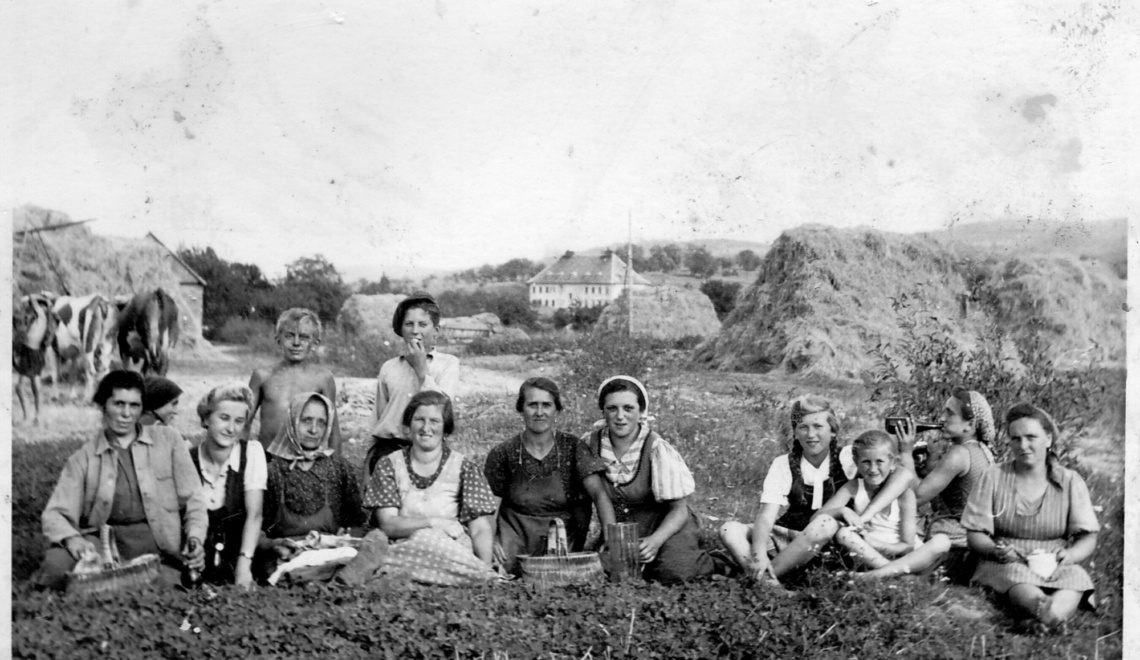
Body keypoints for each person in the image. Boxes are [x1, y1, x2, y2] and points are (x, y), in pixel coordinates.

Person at [36, 370, 206, 590]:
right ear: (103, 406)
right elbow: (55, 513)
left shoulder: (169, 441)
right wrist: (72, 540)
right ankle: (115, 579)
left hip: (157, 545)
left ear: (142, 408)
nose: (126, 413)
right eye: (118, 404)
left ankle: (117, 583)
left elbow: (194, 500)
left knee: (172, 582)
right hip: (105, 547)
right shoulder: (84, 458)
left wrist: (196, 538)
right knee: (55, 566)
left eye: (134, 405)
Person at [962, 403, 1099, 633]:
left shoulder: (1069, 481)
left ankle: (1040, 620)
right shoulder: (994, 476)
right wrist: (996, 551)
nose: (1023, 445)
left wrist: (1070, 555)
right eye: (1016, 439)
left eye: (1031, 437)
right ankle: (1048, 615)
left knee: (1077, 578)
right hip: (1007, 561)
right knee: (1017, 579)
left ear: (1048, 438)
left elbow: (1088, 537)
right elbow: (974, 534)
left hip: (1053, 562)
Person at [586, 376, 720, 583]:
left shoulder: (656, 448)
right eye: (612, 408)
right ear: (602, 411)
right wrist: (610, 537)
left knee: (675, 572)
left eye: (628, 408)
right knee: (604, 573)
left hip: (667, 524)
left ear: (641, 412)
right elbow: (598, 496)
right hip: (621, 528)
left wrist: (656, 541)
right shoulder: (591, 444)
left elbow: (679, 509)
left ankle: (719, 562)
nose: (620, 416)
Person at [358, 391, 498, 586]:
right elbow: (388, 524)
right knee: (420, 540)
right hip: (403, 549)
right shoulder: (389, 464)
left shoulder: (464, 467)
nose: (426, 428)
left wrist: (485, 568)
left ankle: (475, 576)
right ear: (408, 426)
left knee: (434, 544)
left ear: (445, 428)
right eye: (419, 420)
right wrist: (435, 522)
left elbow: (479, 529)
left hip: (449, 553)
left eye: (434, 421)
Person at [857, 388, 996, 580]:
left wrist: (905, 452)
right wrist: (930, 463)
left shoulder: (959, 454)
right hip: (971, 545)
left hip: (954, 547)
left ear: (969, 425)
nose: (942, 417)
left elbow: (918, 496)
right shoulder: (979, 450)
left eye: (950, 413)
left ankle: (876, 571)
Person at [718, 395, 857, 584]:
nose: (810, 434)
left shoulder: (848, 457)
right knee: (730, 529)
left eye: (818, 426)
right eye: (803, 427)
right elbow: (767, 516)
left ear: (833, 431)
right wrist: (759, 553)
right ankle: (769, 579)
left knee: (826, 523)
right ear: (795, 432)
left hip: (829, 543)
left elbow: (889, 470)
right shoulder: (784, 464)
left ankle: (762, 581)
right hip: (790, 535)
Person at [483, 377, 616, 575]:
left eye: (546, 405)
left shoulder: (573, 447)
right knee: (502, 570)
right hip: (514, 536)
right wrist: (490, 542)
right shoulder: (503, 453)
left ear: (557, 410)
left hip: (561, 540)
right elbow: (489, 507)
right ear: (521, 409)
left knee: (562, 575)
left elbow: (598, 493)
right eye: (532, 405)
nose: (539, 412)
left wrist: (611, 538)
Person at [765, 430, 918, 577]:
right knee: (843, 534)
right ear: (856, 463)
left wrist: (876, 544)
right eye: (866, 462)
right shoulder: (853, 487)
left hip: (892, 552)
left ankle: (889, 571)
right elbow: (817, 518)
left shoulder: (905, 496)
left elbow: (907, 545)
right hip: (863, 550)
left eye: (880, 462)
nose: (872, 469)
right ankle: (890, 573)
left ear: (893, 463)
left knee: (845, 534)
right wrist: (842, 511)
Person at [259, 392, 366, 579]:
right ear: (291, 422)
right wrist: (275, 545)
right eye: (306, 420)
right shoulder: (272, 470)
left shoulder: (338, 468)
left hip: (329, 552)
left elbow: (356, 522)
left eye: (321, 423)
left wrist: (344, 538)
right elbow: (256, 531)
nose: (314, 430)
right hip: (285, 555)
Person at [365, 292, 460, 477]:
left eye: (423, 324)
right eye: (409, 324)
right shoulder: (389, 367)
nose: (415, 331)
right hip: (388, 451)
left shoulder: (448, 363)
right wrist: (367, 467)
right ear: (401, 330)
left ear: (436, 331)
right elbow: (378, 419)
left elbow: (442, 408)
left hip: (428, 451)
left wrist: (421, 367)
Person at [189, 384, 266, 588]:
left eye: (239, 421)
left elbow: (255, 514)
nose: (231, 428)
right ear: (206, 418)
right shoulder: (187, 456)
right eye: (224, 418)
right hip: (196, 561)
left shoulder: (251, 453)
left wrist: (243, 566)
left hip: (240, 557)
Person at [246, 308, 341, 451]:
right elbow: (244, 422)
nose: (296, 343)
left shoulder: (322, 378)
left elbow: (333, 430)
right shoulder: (262, 376)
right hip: (267, 458)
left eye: (304, 337)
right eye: (289, 336)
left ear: (315, 343)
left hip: (305, 461)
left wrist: (337, 468)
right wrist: (240, 461)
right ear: (278, 339)